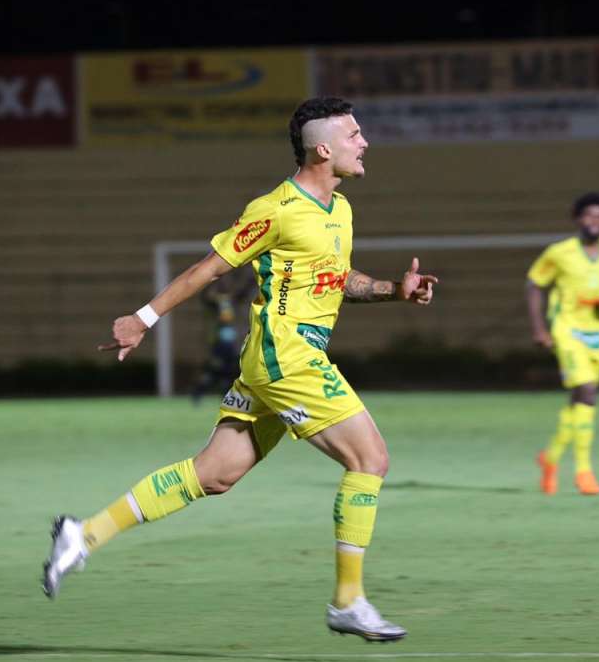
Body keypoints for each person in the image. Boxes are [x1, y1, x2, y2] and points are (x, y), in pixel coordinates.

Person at [42, 97, 438, 643]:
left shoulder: (340, 209)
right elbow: (209, 269)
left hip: (286, 360)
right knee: (370, 458)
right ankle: (348, 601)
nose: (364, 142)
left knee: (215, 474)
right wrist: (142, 318)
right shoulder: (274, 209)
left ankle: (83, 535)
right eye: (354, 135)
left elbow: (337, 279)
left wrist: (396, 290)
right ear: (323, 149)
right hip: (286, 356)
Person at [527, 192, 599, 496]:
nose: (595, 221)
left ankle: (549, 458)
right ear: (578, 218)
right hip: (567, 329)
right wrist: (540, 328)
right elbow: (535, 284)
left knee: (580, 397)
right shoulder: (559, 252)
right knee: (588, 392)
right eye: (589, 215)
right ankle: (583, 470)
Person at [190, 267, 256, 405]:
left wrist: (252, 277)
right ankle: (199, 391)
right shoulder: (215, 302)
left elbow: (244, 292)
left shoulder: (232, 299)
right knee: (217, 369)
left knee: (229, 369)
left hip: (233, 343)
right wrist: (214, 279)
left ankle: (220, 394)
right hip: (219, 342)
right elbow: (205, 296)